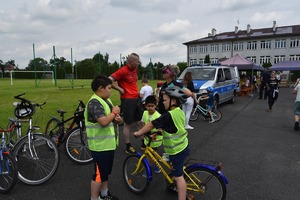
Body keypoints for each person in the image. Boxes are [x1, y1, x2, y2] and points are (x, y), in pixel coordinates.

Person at [133, 86, 190, 200]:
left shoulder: (168, 115)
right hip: (183, 145)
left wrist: (139, 133)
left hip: (176, 150)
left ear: (173, 101)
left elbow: (151, 125)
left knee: (179, 177)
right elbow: (173, 128)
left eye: (164, 100)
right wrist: (157, 134)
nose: (162, 103)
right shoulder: (179, 112)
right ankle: (172, 184)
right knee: (172, 168)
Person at [84, 75, 123, 200]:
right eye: (109, 88)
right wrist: (114, 113)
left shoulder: (106, 100)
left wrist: (118, 119)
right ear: (101, 88)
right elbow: (104, 121)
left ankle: (105, 194)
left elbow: (113, 119)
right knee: (99, 174)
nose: (110, 91)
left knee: (105, 172)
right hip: (99, 146)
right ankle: (94, 198)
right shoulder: (94, 103)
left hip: (108, 144)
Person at [109, 53, 143, 154]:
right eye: (137, 62)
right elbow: (109, 80)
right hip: (127, 100)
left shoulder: (135, 69)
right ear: (131, 62)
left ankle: (143, 142)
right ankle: (128, 146)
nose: (138, 63)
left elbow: (133, 83)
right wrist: (119, 88)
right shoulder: (122, 70)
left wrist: (138, 93)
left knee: (140, 122)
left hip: (136, 99)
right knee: (128, 124)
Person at [140, 95, 162, 173]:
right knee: (150, 154)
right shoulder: (145, 113)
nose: (150, 108)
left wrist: (154, 134)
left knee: (152, 155)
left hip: (155, 139)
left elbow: (160, 129)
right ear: (145, 106)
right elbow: (143, 122)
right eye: (148, 106)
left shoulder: (158, 116)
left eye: (152, 106)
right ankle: (156, 166)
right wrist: (143, 131)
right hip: (147, 138)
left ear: (155, 106)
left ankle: (150, 169)